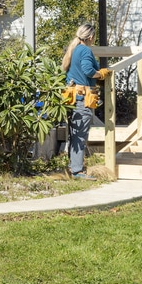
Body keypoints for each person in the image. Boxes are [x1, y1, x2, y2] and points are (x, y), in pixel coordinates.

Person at [61, 22, 101, 180]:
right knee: (80, 135)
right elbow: (88, 70)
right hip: (82, 98)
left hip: (72, 97)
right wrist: (101, 74)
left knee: (74, 133)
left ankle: (73, 167)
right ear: (90, 37)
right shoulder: (85, 50)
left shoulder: (75, 48)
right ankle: (77, 171)